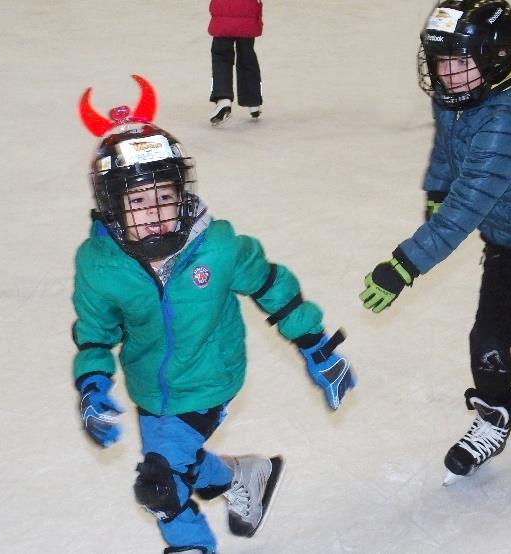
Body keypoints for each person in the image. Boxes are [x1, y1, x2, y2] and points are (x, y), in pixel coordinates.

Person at [72, 119, 355, 553]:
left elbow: (271, 286)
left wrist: (316, 346)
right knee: (177, 466)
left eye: (165, 197)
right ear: (112, 208)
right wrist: (92, 386)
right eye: (138, 202)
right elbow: (95, 331)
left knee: (160, 485)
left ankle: (191, 545)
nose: (155, 213)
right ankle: (244, 474)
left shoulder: (217, 248)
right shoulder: (100, 265)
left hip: (209, 377)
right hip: (149, 388)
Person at [359, 0, 511, 484]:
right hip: (508, 237)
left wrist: (405, 264)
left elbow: (468, 206)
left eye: (459, 60)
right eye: (440, 60)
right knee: (487, 339)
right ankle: (494, 415)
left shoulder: (505, 122)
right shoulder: (459, 94)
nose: (446, 74)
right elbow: (448, 152)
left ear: (495, 56)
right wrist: (435, 191)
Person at [207, 0, 264, 126]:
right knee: (247, 57)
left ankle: (223, 99)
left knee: (221, 56)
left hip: (223, 12)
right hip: (247, 13)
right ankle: (253, 102)